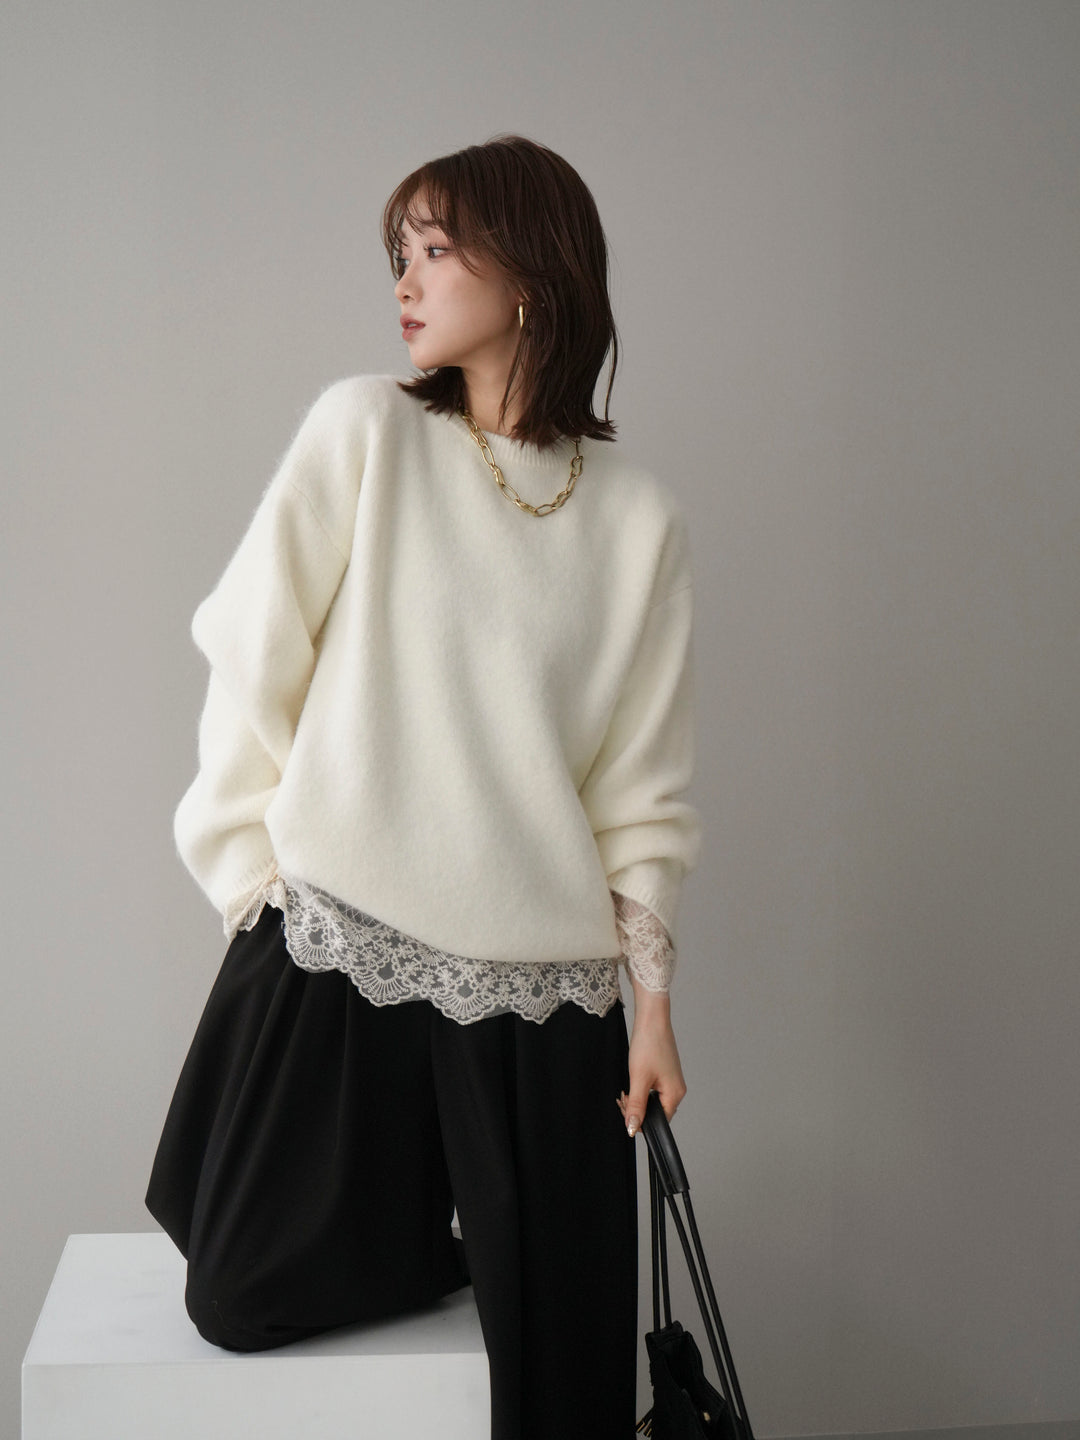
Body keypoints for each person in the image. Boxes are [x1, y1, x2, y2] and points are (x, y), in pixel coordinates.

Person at [145, 133, 701, 1440]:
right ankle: (437, 1235)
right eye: (400, 252)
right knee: (238, 1289)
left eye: (438, 249)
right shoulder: (367, 432)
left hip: (544, 985)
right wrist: (253, 885)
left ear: (533, 271)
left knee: (565, 1381)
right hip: (345, 943)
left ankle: (481, 1233)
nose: (405, 280)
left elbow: (640, 787)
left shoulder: (639, 518)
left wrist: (654, 1010)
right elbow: (252, 659)